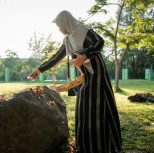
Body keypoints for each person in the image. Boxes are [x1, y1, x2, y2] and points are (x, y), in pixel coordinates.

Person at [28, 10, 122, 153]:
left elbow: (99, 42)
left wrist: (84, 56)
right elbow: (57, 57)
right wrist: (40, 70)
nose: (59, 29)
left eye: (60, 26)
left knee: (98, 108)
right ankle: (86, 146)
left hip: (96, 74)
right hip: (84, 77)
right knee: (83, 108)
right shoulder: (67, 39)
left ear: (66, 22)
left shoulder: (83, 30)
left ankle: (103, 146)